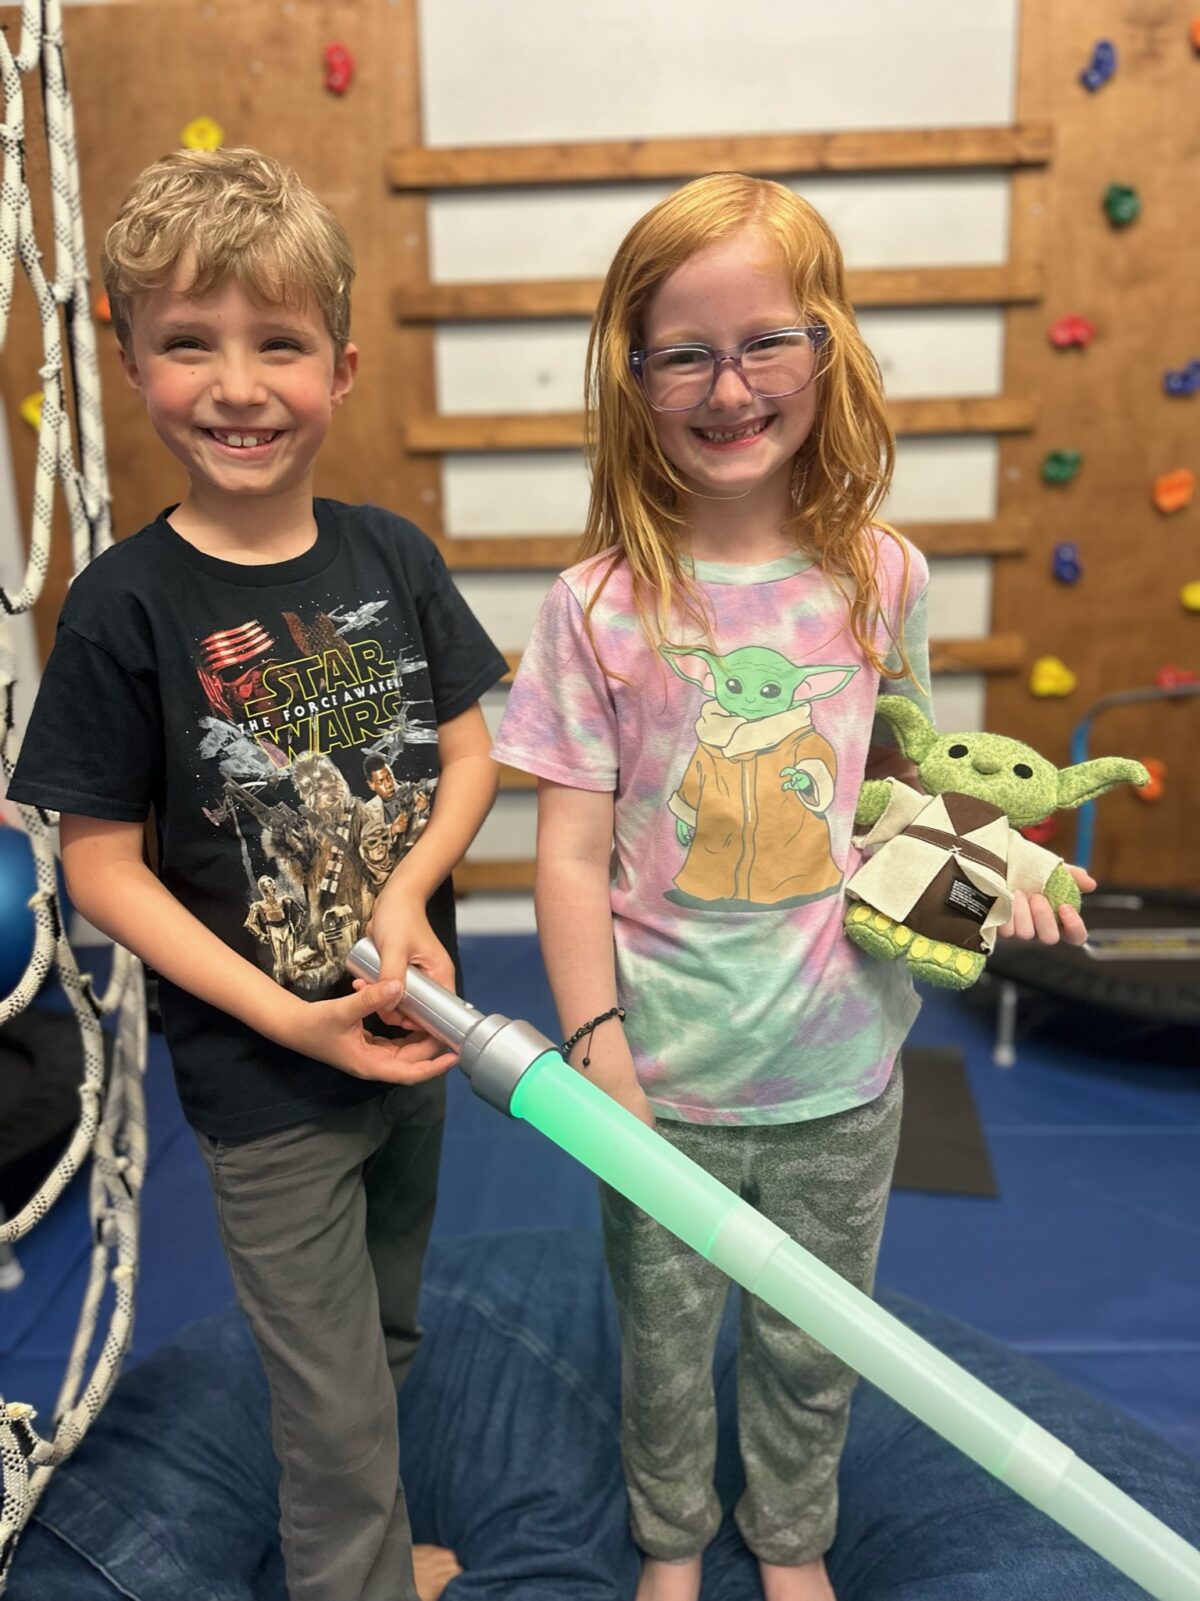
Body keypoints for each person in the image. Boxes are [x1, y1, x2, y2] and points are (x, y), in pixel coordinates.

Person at [492, 173, 1093, 1601]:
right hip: (665, 1082)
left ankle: (794, 1541)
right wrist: (594, 1052)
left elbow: (915, 780)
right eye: (682, 352)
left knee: (812, 1338)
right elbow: (568, 855)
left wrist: (1000, 864)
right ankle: (667, 1545)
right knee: (660, 1342)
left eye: (764, 340)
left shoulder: (882, 575)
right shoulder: (598, 606)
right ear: (635, 380)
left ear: (828, 349)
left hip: (840, 1067)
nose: (727, 383)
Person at [8, 147, 508, 1601]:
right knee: (331, 1386)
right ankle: (348, 1579)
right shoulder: (124, 608)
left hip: (416, 1023)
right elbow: (102, 867)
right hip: (266, 1074)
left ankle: (358, 1548)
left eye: (277, 343)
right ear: (130, 360)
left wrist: (409, 893)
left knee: (391, 1324)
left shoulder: (388, 554)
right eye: (188, 344)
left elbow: (471, 756)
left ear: (341, 368)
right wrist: (286, 1018)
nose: (237, 384)